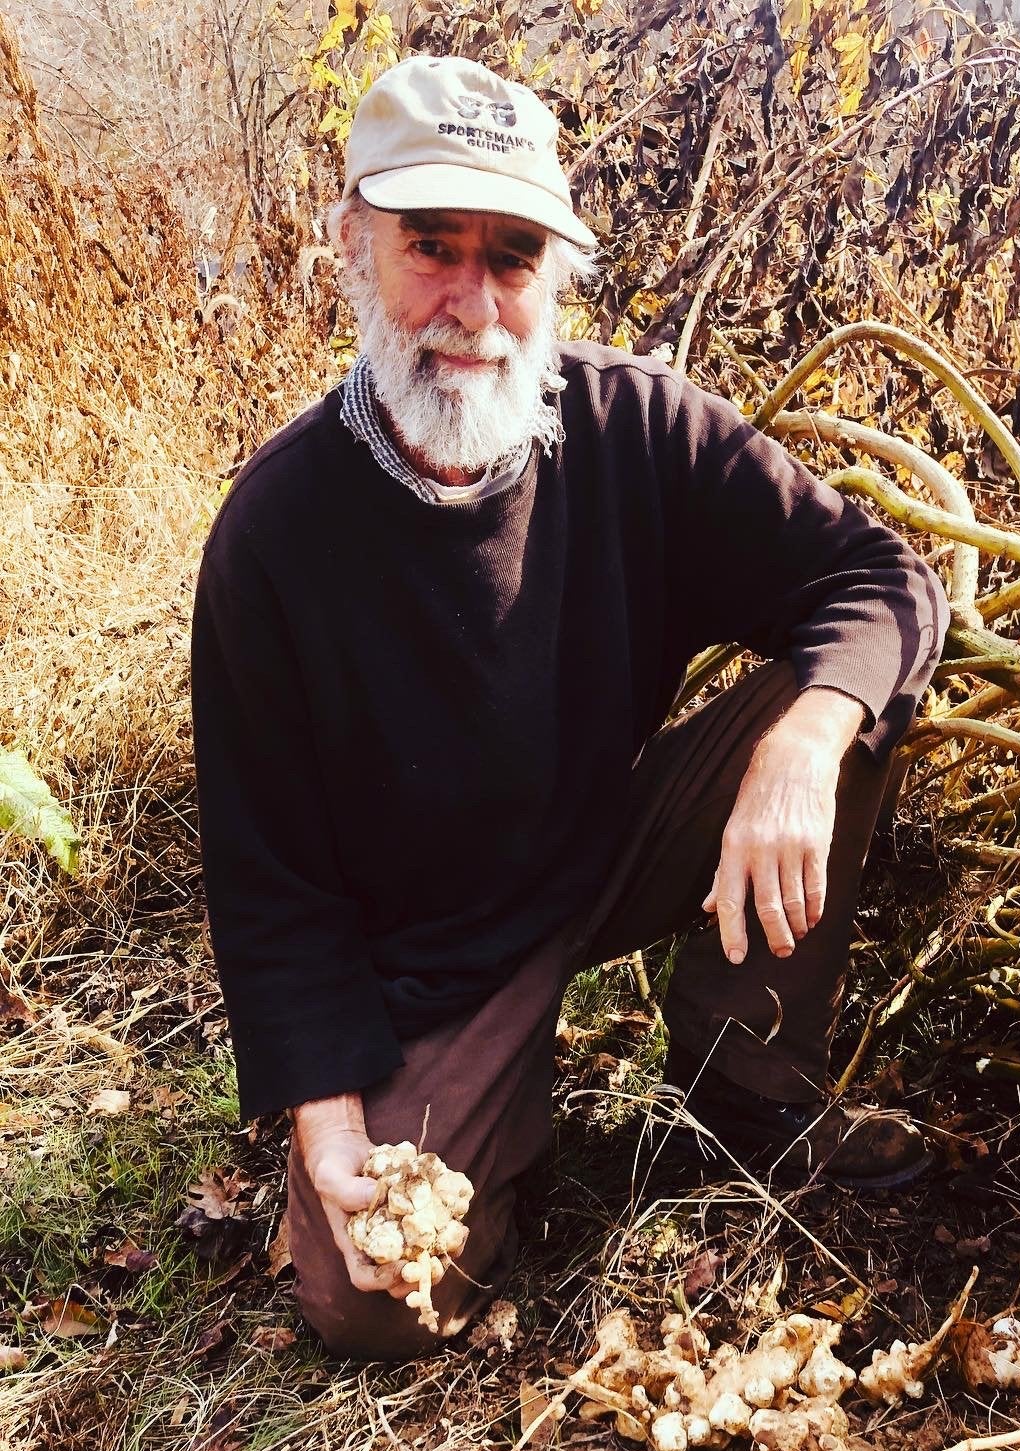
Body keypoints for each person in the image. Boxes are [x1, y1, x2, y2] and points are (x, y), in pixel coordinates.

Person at [190, 55, 948, 1360]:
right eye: (432, 248)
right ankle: (501, 1105)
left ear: (556, 274)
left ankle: (747, 1082)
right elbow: (271, 878)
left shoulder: (633, 429)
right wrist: (325, 1127)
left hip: (605, 844)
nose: (472, 305)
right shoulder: (277, 531)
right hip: (430, 963)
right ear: (353, 242)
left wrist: (805, 742)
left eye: (515, 257)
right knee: (369, 1302)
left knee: (849, 688)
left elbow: (883, 578)